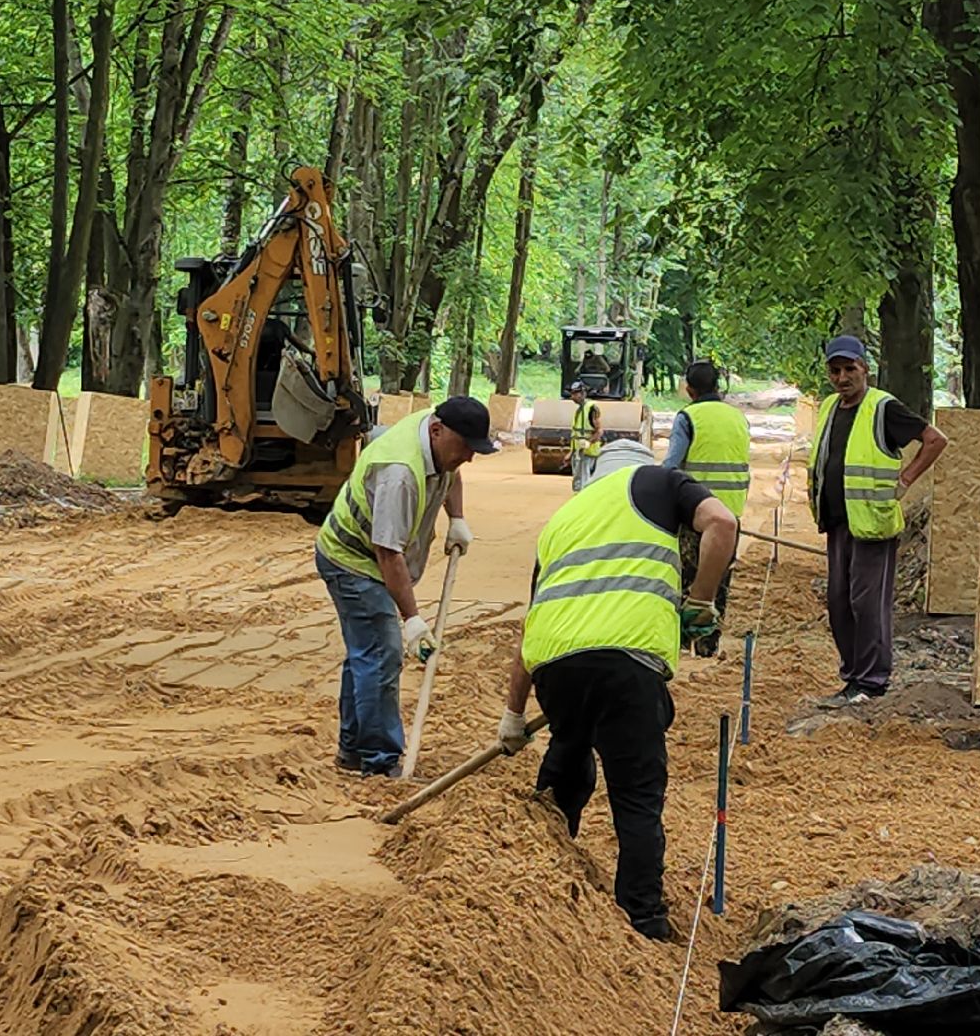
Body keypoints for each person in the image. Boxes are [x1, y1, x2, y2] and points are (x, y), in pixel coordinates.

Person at [495, 438, 740, 942]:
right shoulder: (659, 482)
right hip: (627, 665)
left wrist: (513, 715)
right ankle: (642, 917)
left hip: (555, 667)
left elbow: (533, 621)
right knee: (636, 795)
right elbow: (722, 523)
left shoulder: (561, 522)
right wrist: (700, 599)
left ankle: (542, 884)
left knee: (567, 762)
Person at [315, 396, 499, 777]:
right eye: (466, 447)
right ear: (437, 431)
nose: (469, 457)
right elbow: (388, 554)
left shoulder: (437, 438)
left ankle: (352, 750)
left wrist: (457, 518)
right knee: (382, 653)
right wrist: (412, 620)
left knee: (366, 652)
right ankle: (380, 761)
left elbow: (451, 474)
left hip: (371, 556)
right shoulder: (400, 473)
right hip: (353, 560)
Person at [808, 335, 947, 705]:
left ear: (864, 368)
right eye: (835, 371)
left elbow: (934, 440)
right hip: (838, 521)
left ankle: (871, 682)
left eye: (849, 369)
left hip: (872, 524)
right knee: (839, 602)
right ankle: (852, 677)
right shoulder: (829, 407)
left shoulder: (883, 408)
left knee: (866, 604)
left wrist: (905, 480)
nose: (842, 378)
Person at [662, 359, 752, 655]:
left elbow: (671, 465)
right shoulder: (738, 418)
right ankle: (707, 645)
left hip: (696, 514)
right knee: (718, 580)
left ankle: (681, 644)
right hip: (731, 515)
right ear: (717, 386)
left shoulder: (688, 417)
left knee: (688, 579)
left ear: (689, 389)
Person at [567, 381, 604, 492]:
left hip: (588, 452)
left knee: (584, 480)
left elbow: (599, 431)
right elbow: (576, 435)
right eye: (572, 393)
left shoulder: (592, 409)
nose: (572, 397)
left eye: (575, 393)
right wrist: (571, 453)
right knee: (578, 479)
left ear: (583, 393)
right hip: (579, 452)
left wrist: (588, 442)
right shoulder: (580, 410)